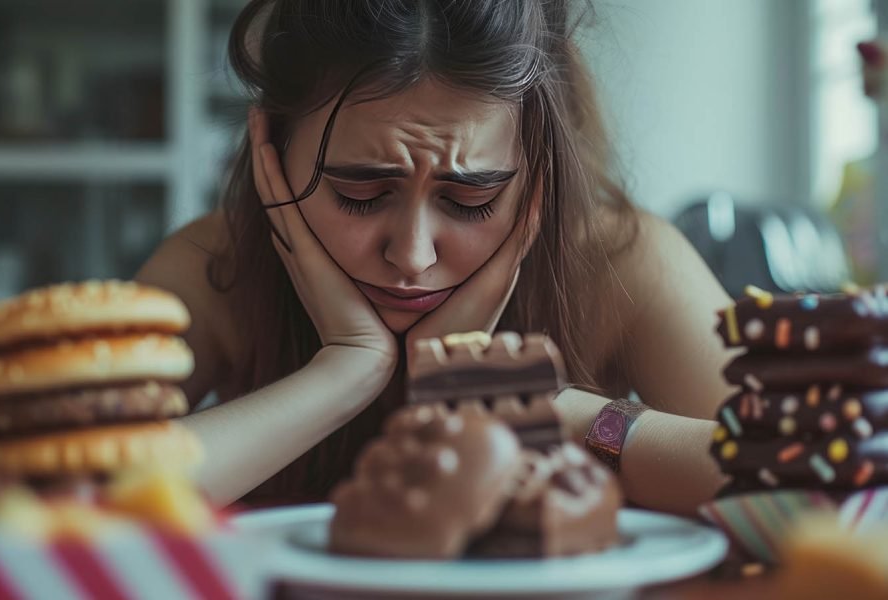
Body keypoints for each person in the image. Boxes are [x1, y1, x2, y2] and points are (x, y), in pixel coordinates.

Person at [136, 0, 735, 514]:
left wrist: (555, 412)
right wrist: (344, 370)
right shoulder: (214, 267)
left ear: (538, 172)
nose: (412, 256)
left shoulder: (622, 263)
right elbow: (63, 506)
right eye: (359, 194)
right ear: (271, 148)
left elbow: (806, 487)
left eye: (471, 199)